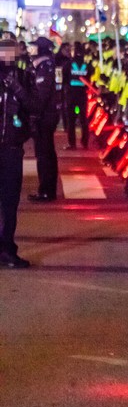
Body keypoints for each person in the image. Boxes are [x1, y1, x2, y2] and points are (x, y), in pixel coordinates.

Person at [0, 38, 32, 268]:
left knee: (10, 203)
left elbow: (35, 106)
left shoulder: (22, 76)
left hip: (12, 148)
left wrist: (18, 89)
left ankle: (8, 249)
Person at [27, 36, 59, 203]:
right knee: (46, 153)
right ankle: (47, 188)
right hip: (47, 115)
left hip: (45, 116)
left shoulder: (45, 67)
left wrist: (34, 114)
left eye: (35, 47)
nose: (31, 50)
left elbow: (41, 95)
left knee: (44, 154)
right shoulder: (45, 65)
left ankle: (46, 190)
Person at [64, 41, 92, 149]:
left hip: (71, 95)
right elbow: (89, 79)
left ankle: (72, 143)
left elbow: (65, 80)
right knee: (83, 119)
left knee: (71, 120)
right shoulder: (87, 66)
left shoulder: (68, 65)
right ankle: (85, 142)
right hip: (82, 94)